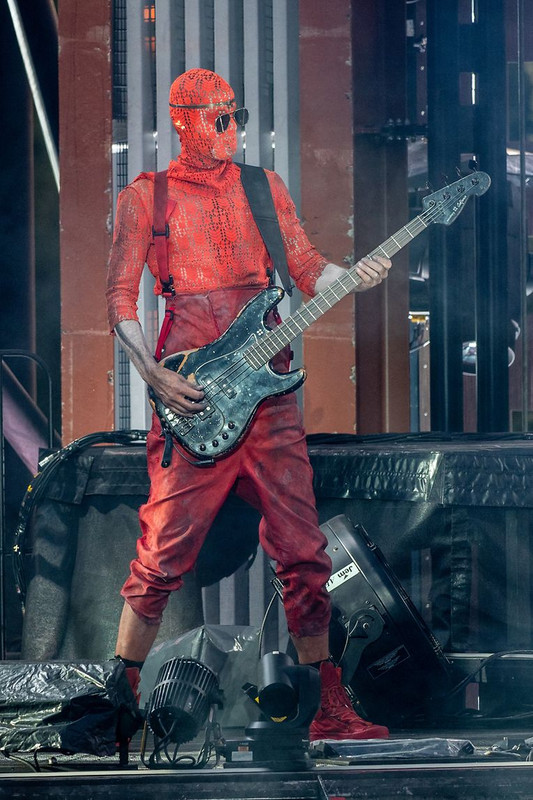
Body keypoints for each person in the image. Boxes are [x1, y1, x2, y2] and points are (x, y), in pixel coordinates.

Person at [106, 68, 391, 741]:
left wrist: (349, 276)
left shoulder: (264, 187)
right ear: (184, 120)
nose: (232, 128)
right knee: (161, 552)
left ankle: (328, 705)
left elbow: (305, 265)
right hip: (194, 392)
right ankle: (119, 699)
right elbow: (119, 297)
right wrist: (152, 374)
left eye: (235, 115)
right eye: (219, 117)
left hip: (269, 398)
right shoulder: (146, 197)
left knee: (304, 550)